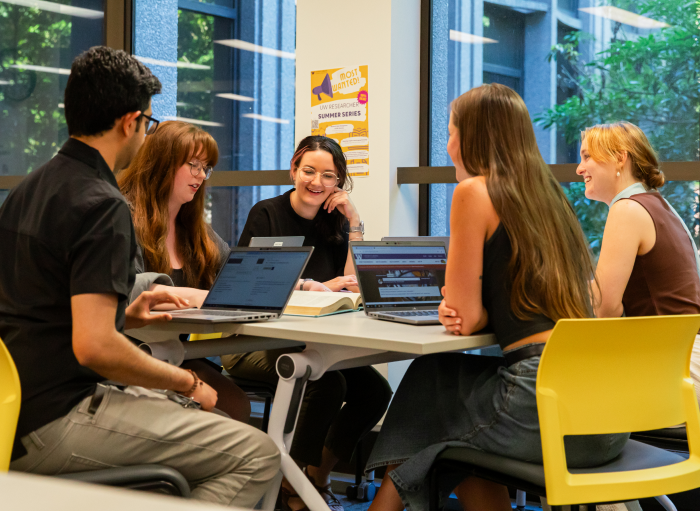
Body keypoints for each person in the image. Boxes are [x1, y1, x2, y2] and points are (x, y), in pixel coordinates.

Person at [0, 47, 279, 506]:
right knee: (257, 454)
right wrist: (189, 384)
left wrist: (125, 315)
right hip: (58, 415)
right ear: (131, 122)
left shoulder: (30, 189)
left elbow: (43, 314)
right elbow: (94, 347)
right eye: (149, 123)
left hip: (15, 411)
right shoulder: (102, 203)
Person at [364, 84, 628, 511]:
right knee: (439, 388)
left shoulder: (475, 192)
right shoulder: (552, 198)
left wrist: (462, 305)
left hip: (539, 406)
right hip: (604, 413)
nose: (447, 145)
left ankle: (381, 506)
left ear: (471, 136)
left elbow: (464, 317)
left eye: (450, 132)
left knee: (431, 384)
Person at [221, 135, 393, 511]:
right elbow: (250, 281)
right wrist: (313, 286)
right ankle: (290, 484)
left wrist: (355, 222)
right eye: (309, 171)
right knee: (328, 383)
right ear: (294, 170)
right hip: (253, 341)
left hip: (313, 341)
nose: (317, 182)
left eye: (329, 176)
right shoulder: (266, 213)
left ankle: (317, 477)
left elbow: (351, 283)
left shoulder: (335, 222)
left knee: (375, 391)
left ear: (339, 182)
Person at [118, 120, 252, 422]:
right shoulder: (121, 217)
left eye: (206, 168)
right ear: (162, 163)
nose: (201, 176)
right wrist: (201, 297)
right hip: (127, 357)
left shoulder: (195, 230)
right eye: (193, 165)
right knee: (218, 414)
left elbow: (235, 275)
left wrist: (304, 286)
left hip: (173, 354)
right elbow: (130, 291)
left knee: (236, 405)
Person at [576, 121, 700, 400]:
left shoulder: (627, 210)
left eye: (587, 157)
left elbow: (604, 308)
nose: (579, 169)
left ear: (621, 157)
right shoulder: (658, 205)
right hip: (685, 358)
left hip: (673, 366)